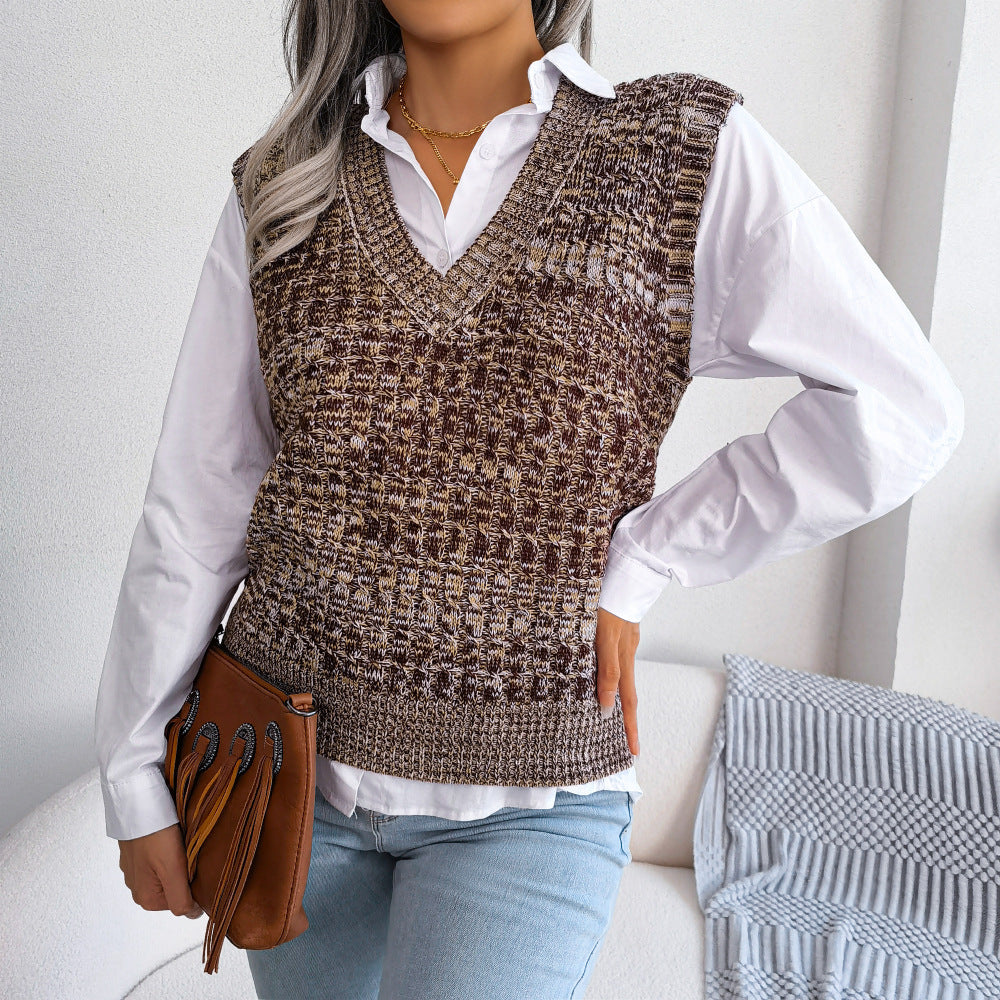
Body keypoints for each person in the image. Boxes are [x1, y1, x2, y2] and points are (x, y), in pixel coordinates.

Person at [94, 1, 964, 998]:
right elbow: (199, 497)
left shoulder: (676, 153)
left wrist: (647, 558)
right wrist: (134, 772)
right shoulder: (286, 183)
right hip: (286, 776)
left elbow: (899, 408)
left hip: (531, 801)